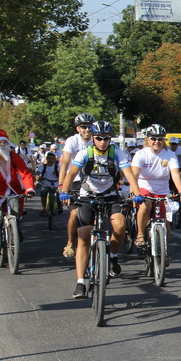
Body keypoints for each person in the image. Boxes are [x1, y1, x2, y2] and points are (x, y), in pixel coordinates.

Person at [60, 121, 142, 298]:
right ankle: (81, 283)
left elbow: (128, 173)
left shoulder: (117, 153)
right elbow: (72, 173)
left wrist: (136, 193)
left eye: (106, 138)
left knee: (120, 226)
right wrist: (64, 191)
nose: (102, 142)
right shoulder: (85, 153)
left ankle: (112, 256)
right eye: (98, 138)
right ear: (93, 138)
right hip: (88, 196)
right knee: (83, 236)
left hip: (110, 194)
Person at [131, 125, 181, 250]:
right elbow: (135, 175)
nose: (157, 142)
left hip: (162, 192)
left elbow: (175, 175)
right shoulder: (141, 154)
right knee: (146, 205)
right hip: (144, 188)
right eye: (153, 139)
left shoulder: (170, 155)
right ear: (148, 140)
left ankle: (162, 253)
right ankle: (140, 234)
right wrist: (134, 192)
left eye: (160, 139)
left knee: (166, 226)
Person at [59, 113, 95, 258]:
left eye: (89, 126)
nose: (87, 130)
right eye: (83, 127)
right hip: (74, 181)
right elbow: (65, 162)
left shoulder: (97, 140)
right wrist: (62, 185)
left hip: (93, 181)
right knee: (74, 213)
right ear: (78, 129)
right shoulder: (72, 141)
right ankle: (70, 243)